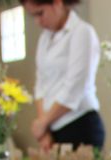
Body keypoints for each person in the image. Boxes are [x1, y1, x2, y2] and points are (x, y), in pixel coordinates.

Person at [21, 0, 105, 151]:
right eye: (33, 16)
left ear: (57, 3)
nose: (38, 21)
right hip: (52, 128)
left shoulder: (82, 32)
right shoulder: (45, 38)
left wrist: (43, 122)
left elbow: (74, 87)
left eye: (40, 13)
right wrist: (44, 129)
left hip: (80, 125)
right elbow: (41, 85)